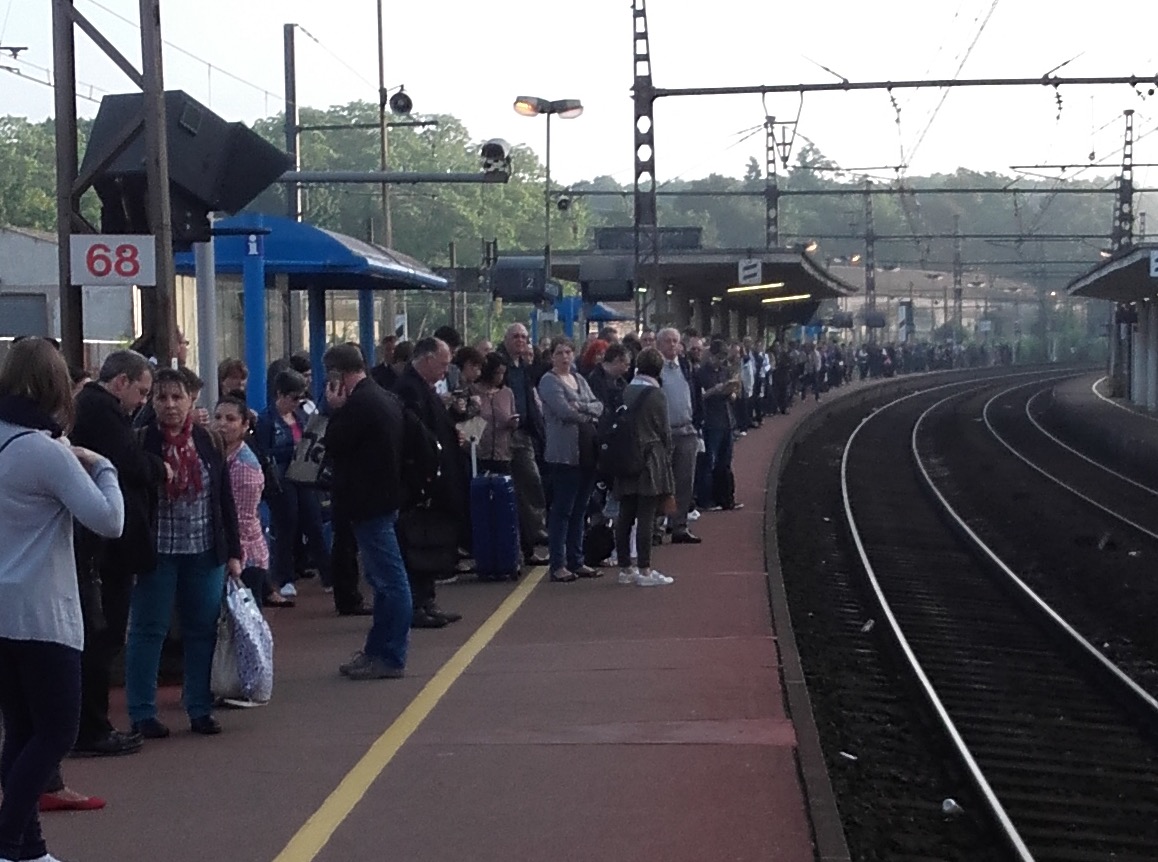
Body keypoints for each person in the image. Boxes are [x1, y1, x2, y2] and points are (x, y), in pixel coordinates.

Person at [0, 337, 124, 862]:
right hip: (43, 609)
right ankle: (8, 840)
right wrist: (103, 467)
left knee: (22, 729)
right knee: (56, 731)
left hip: (3, 609)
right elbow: (108, 520)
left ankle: (28, 844)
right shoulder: (46, 451)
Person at [124, 368, 243, 738]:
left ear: (192, 400)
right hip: (157, 553)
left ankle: (199, 707)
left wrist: (234, 551)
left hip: (204, 550)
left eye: (178, 397)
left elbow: (223, 497)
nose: (170, 405)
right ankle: (142, 712)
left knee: (202, 630)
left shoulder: (209, 439)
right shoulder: (141, 440)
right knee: (148, 630)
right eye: (161, 397)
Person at [69, 349, 165, 758]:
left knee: (99, 635)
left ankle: (88, 725)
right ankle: (92, 728)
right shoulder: (101, 412)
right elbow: (125, 463)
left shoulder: (91, 410)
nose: (143, 401)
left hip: (101, 545)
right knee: (102, 636)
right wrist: (158, 469)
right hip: (104, 549)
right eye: (141, 391)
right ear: (121, 382)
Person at [324, 344, 411, 681]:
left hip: (367, 501)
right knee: (383, 579)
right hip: (383, 498)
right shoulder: (383, 398)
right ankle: (378, 650)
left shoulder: (358, 405)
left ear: (338, 374)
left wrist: (335, 411)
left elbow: (333, 443)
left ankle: (389, 655)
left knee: (390, 582)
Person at [393, 338, 466, 627]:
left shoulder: (424, 388)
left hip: (436, 476)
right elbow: (417, 435)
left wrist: (452, 434)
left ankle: (428, 599)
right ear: (426, 359)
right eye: (443, 364)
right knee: (418, 543)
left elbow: (435, 428)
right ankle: (417, 604)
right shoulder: (409, 389)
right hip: (422, 482)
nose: (445, 371)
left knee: (431, 541)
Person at [255, 369, 330, 598]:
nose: (297, 403)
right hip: (282, 477)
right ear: (280, 394)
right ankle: (285, 576)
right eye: (293, 398)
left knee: (314, 522)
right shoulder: (267, 420)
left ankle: (328, 574)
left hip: (303, 474)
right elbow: (263, 451)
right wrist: (290, 450)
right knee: (287, 525)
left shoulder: (302, 416)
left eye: (300, 398)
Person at [537, 336, 604, 582]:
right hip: (563, 454)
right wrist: (585, 410)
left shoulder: (579, 379)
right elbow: (564, 411)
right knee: (562, 510)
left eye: (568, 352)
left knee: (580, 509)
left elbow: (598, 406)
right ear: (551, 356)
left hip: (587, 452)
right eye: (559, 353)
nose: (565, 357)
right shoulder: (548, 381)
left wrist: (581, 407)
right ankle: (558, 563)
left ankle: (577, 560)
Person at [612, 347, 675, 587]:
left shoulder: (626, 390)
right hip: (649, 459)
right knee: (646, 516)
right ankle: (645, 569)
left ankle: (625, 568)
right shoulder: (656, 395)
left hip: (625, 457)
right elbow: (664, 432)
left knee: (625, 514)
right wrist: (667, 455)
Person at [213, 395, 279, 608]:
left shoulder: (244, 467)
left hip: (246, 557)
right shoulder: (222, 456)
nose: (222, 424)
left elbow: (241, 519)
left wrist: (232, 556)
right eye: (218, 417)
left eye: (230, 419)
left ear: (245, 425)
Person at [497, 324, 549, 559]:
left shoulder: (524, 367)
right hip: (504, 433)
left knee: (532, 482)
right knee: (516, 487)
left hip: (525, 432)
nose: (520, 341)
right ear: (506, 339)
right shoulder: (499, 364)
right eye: (516, 337)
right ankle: (526, 538)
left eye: (524, 337)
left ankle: (534, 531)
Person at [656, 328, 701, 544]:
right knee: (660, 483)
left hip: (686, 430)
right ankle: (656, 527)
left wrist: (697, 422)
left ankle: (679, 526)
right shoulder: (654, 368)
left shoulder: (685, 366)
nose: (672, 345)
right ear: (659, 345)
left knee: (684, 482)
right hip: (663, 434)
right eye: (667, 341)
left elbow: (694, 393)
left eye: (675, 341)